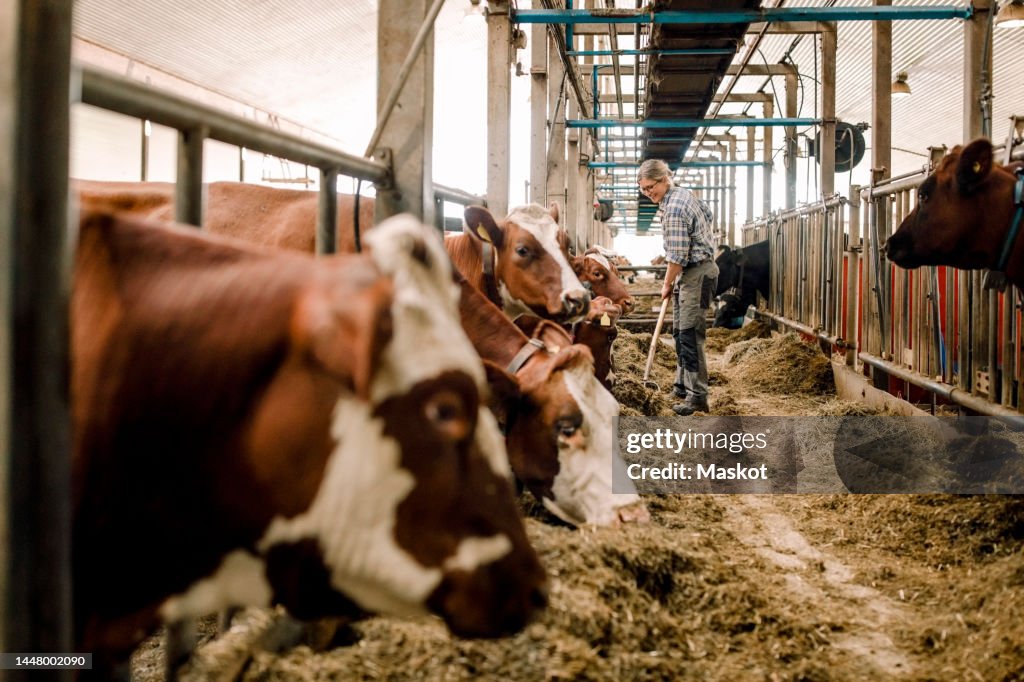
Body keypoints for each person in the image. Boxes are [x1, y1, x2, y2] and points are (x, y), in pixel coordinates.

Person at [637, 159, 718, 416]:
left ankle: (698, 396)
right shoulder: (682, 196)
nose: (648, 193)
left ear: (664, 180)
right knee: (681, 334)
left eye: (651, 187)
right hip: (695, 272)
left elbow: (677, 256)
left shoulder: (673, 209)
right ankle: (682, 385)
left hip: (695, 272)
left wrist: (666, 284)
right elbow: (708, 214)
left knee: (691, 336)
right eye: (644, 189)